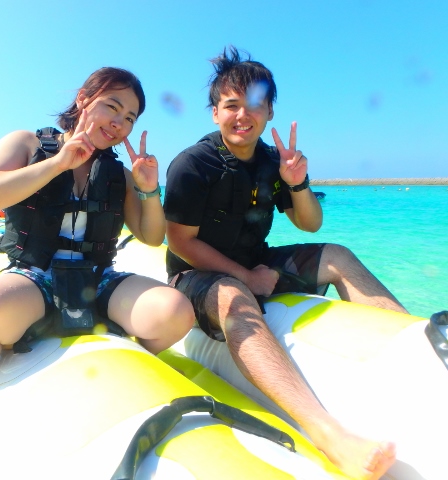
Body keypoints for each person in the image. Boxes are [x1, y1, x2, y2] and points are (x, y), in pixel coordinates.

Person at [0, 67, 195, 437]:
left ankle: (135, 358)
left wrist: (148, 189)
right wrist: (57, 164)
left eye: (130, 118)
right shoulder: (26, 144)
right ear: (83, 99)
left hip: (98, 278)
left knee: (175, 312)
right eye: (112, 107)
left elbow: (151, 237)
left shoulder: (118, 174)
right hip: (34, 276)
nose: (119, 123)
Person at [163, 46, 403, 480]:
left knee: (339, 256)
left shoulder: (274, 161)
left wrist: (298, 183)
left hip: (257, 261)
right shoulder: (192, 164)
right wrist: (245, 277)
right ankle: (328, 434)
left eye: (254, 104)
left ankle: (414, 351)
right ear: (215, 113)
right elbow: (179, 240)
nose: (243, 115)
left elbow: (310, 224)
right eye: (231, 105)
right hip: (194, 274)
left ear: (270, 112)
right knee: (235, 297)